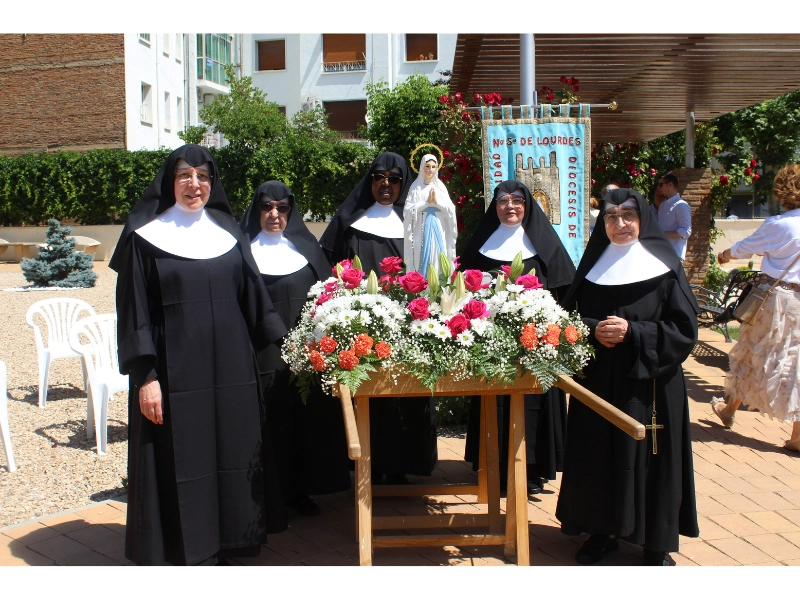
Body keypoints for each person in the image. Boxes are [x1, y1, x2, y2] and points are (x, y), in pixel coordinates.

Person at [110, 145, 288, 565]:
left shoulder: (229, 235)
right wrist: (146, 376)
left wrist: (296, 347)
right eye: (185, 175)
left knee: (233, 447)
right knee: (182, 455)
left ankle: (236, 538)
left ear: (213, 183)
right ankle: (187, 544)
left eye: (203, 176)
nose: (195, 184)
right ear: (170, 182)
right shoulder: (144, 239)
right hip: (174, 375)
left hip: (232, 369)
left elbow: (256, 303)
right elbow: (134, 312)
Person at [555, 188, 700, 566]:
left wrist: (634, 332)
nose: (620, 224)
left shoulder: (665, 269)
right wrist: (592, 330)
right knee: (597, 456)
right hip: (600, 382)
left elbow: (684, 330)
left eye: (628, 215)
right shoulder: (592, 268)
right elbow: (566, 320)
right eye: (611, 217)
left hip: (651, 383)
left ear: (643, 219)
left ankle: (656, 542)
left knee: (653, 459)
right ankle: (600, 532)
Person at [320, 152, 438, 484]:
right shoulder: (349, 223)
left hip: (408, 321)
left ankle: (402, 465)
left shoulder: (415, 220)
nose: (386, 184)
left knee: (404, 394)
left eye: (394, 179)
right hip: (360, 321)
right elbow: (333, 267)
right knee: (367, 392)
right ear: (369, 181)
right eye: (379, 177)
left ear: (404, 183)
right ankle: (366, 465)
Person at [239, 181, 352, 516]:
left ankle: (303, 490)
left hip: (307, 349)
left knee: (307, 418)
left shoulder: (307, 248)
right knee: (272, 418)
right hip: (264, 348)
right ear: (256, 210)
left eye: (282, 208)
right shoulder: (243, 251)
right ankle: (273, 492)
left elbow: (326, 297)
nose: (274, 215)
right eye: (266, 207)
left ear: (291, 211)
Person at [461, 180, 576, 493]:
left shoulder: (545, 245)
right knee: (494, 401)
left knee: (535, 401)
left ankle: (534, 470)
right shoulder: (481, 244)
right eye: (502, 200)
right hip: (492, 340)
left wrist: (546, 326)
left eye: (517, 200)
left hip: (533, 341)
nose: (509, 206)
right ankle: (492, 465)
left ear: (528, 206)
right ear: (494, 206)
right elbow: (463, 286)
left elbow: (565, 291)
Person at [711, 163, 800, 452]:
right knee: (796, 360)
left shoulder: (779, 224)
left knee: (752, 351)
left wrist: (724, 254)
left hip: (777, 300)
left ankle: (729, 409)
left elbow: (744, 248)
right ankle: (797, 435)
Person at [404, 153, 457, 275]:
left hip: (439, 225)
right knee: (421, 255)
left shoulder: (440, 187)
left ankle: (438, 284)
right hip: (420, 227)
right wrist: (426, 203)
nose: (430, 170)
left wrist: (437, 203)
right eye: (428, 166)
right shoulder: (415, 188)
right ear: (422, 167)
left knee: (438, 254)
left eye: (433, 166)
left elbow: (450, 208)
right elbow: (407, 210)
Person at [654, 171, 692, 260]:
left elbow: (686, 231)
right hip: (662, 253)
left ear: (670, 184)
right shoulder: (663, 205)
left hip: (675, 254)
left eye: (661, 184)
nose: (659, 188)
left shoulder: (681, 205)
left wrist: (662, 234)